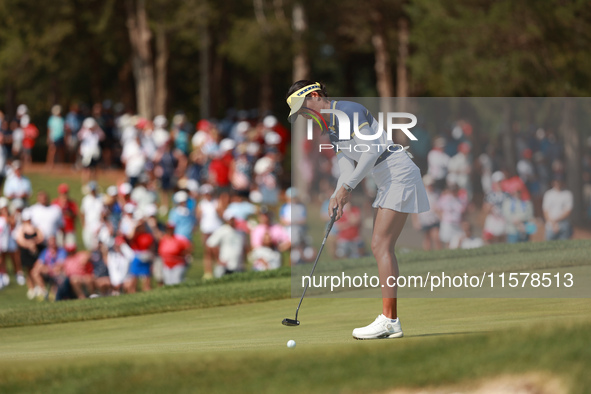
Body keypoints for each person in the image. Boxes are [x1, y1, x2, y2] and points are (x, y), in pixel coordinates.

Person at [286, 80, 429, 340]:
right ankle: (390, 319)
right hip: (386, 178)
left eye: (303, 109)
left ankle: (389, 320)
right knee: (381, 246)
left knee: (380, 245)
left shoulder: (349, 110)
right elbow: (347, 169)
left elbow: (372, 150)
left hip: (397, 172)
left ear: (316, 96)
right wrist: (337, 195)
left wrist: (348, 188)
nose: (305, 116)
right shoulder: (331, 129)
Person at [14, 209, 45, 299]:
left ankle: (40, 286)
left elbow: (41, 237)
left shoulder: (35, 227)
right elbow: (20, 240)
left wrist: (34, 243)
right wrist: (30, 244)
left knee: (36, 268)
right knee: (29, 270)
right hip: (26, 252)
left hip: (36, 251)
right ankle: (32, 288)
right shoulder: (20, 228)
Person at [206, 210, 247, 277]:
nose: (232, 221)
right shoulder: (222, 230)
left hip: (238, 266)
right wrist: (218, 260)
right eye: (230, 219)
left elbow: (244, 248)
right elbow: (210, 244)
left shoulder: (241, 232)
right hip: (225, 266)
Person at [196, 184, 223, 280]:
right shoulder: (201, 204)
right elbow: (198, 217)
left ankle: (220, 269)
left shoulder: (216, 202)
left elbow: (221, 215)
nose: (207, 195)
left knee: (217, 250)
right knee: (207, 252)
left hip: (216, 229)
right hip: (206, 230)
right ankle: (208, 272)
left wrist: (219, 211)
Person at [412, 174, 441, 251]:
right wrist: (416, 221)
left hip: (434, 218)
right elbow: (415, 209)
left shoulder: (437, 193)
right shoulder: (420, 193)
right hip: (424, 219)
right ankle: (427, 254)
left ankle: (439, 253)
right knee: (427, 238)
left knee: (436, 237)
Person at [80, 181, 104, 250]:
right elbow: (83, 212)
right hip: (89, 225)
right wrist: (83, 224)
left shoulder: (101, 198)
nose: (93, 191)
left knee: (99, 245)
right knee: (88, 245)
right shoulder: (85, 200)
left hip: (99, 225)